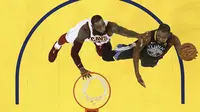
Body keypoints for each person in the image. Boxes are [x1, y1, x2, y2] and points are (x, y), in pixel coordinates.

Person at [48, 15, 139, 79]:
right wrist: (81, 68)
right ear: (94, 27)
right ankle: (56, 46)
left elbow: (126, 32)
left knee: (102, 55)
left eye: (103, 25)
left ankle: (100, 43)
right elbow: (74, 52)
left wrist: (139, 36)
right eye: (99, 27)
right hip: (84, 34)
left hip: (97, 38)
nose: (103, 28)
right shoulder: (84, 30)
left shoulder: (110, 27)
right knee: (67, 38)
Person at [113, 24, 183, 88]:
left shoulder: (174, 39)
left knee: (147, 64)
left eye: (163, 38)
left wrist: (187, 55)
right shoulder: (147, 36)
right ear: (157, 32)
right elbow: (136, 53)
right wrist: (137, 74)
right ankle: (122, 48)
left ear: (168, 36)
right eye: (159, 36)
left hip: (153, 56)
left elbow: (181, 53)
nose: (160, 39)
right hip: (140, 49)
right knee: (116, 55)